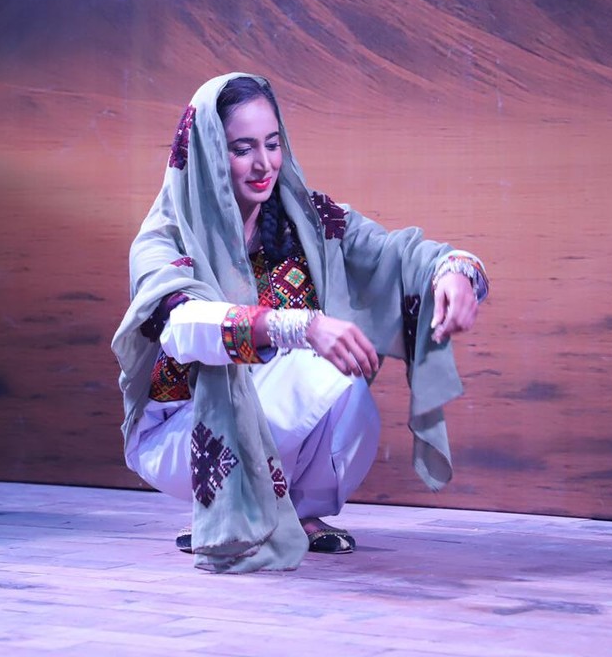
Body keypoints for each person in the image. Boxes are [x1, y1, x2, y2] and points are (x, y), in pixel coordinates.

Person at [112, 73, 488, 573]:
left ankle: (298, 512)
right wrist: (298, 326)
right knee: (318, 365)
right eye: (242, 149)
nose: (263, 164)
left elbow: (396, 254)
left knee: (348, 386)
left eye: (272, 144)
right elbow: (181, 325)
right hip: (185, 436)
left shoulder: (308, 220)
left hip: (271, 410)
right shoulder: (165, 239)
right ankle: (229, 510)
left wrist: (455, 272)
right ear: (207, 152)